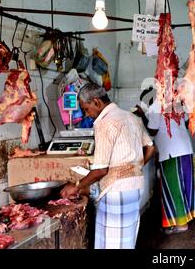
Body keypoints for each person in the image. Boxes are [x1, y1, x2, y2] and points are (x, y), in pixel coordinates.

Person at [60, 82, 155, 249]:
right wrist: (135, 167)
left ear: (96, 102)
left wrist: (76, 186)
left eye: (86, 109)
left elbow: (100, 170)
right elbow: (151, 148)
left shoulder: (104, 123)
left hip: (115, 192)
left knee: (111, 243)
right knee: (125, 241)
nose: (87, 115)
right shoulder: (131, 117)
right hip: (134, 187)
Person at [134, 92, 195, 235]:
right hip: (185, 148)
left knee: (174, 187)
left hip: (171, 151)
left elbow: (152, 130)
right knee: (185, 185)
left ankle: (181, 224)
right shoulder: (177, 102)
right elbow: (187, 122)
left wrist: (142, 115)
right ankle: (187, 216)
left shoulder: (157, 104)